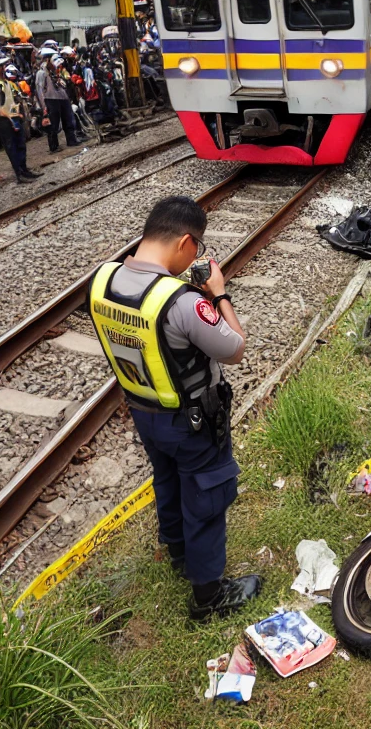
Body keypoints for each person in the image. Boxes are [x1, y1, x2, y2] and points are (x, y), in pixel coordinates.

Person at [87, 195, 261, 618]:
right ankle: (209, 596)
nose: (195, 256)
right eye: (197, 247)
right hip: (192, 422)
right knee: (206, 495)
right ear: (185, 242)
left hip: (144, 413)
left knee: (167, 482)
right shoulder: (180, 301)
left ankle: (180, 554)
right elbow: (234, 347)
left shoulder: (103, 279)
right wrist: (218, 295)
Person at [0, 57, 40, 184]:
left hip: (13, 116)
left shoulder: (6, 83)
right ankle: (19, 174)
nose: (4, 69)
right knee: (12, 147)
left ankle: (24, 170)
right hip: (3, 119)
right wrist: (8, 115)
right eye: (2, 67)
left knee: (20, 144)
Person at [35, 51, 79, 153]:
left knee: (68, 119)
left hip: (62, 98)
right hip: (50, 99)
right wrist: (43, 107)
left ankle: (72, 140)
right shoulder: (41, 73)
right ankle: (54, 146)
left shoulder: (54, 72)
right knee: (53, 124)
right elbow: (39, 90)